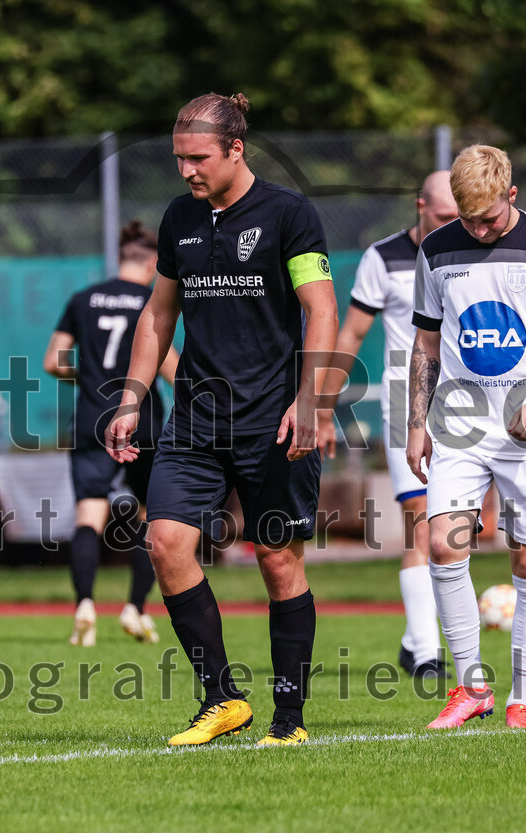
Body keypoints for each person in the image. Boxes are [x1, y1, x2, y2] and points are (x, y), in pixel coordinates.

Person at [106, 93, 338, 746]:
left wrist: (310, 399)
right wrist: (131, 397)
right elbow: (158, 315)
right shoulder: (179, 217)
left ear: (236, 149)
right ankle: (222, 698)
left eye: (198, 158)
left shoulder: (289, 214)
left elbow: (321, 309)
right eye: (179, 158)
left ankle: (288, 720)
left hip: (274, 422)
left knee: (277, 560)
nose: (187, 171)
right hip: (195, 421)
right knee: (164, 542)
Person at [406, 144, 526, 729]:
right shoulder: (436, 249)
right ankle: (471, 690)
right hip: (459, 425)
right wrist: (416, 422)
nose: (479, 230)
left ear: (512, 195)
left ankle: (521, 701)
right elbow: (426, 344)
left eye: (489, 218)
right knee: (443, 545)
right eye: (468, 219)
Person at [319, 171, 458, 680]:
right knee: (420, 520)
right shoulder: (384, 258)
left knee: (453, 531)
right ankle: (427, 652)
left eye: (460, 215)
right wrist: (323, 407)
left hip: (465, 406)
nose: (453, 225)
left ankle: (412, 639)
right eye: (444, 216)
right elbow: (352, 335)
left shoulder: (473, 251)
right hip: (406, 403)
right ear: (421, 206)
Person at [43, 220, 178, 646]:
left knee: (89, 515)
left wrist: (86, 379)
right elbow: (170, 367)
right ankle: (135, 608)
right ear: (154, 263)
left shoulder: (83, 299)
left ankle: (84, 604)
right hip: (142, 421)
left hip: (91, 420)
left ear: (121, 257)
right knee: (150, 515)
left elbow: (53, 360)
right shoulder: (151, 302)